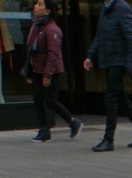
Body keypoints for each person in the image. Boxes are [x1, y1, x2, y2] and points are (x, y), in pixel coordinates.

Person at [84, 0, 132, 152]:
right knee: (120, 97)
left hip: (119, 61)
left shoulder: (122, 7)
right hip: (108, 59)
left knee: (111, 98)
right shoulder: (104, 9)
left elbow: (131, 36)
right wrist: (90, 55)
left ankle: (108, 140)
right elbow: (99, 35)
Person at [26, 0, 82, 142]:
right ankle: (44, 130)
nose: (35, 6)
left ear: (47, 11)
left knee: (50, 100)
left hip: (51, 70)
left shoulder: (52, 29)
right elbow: (31, 50)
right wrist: (29, 71)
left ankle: (73, 121)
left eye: (39, 4)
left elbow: (53, 54)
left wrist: (48, 75)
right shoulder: (37, 26)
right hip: (37, 69)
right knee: (37, 99)